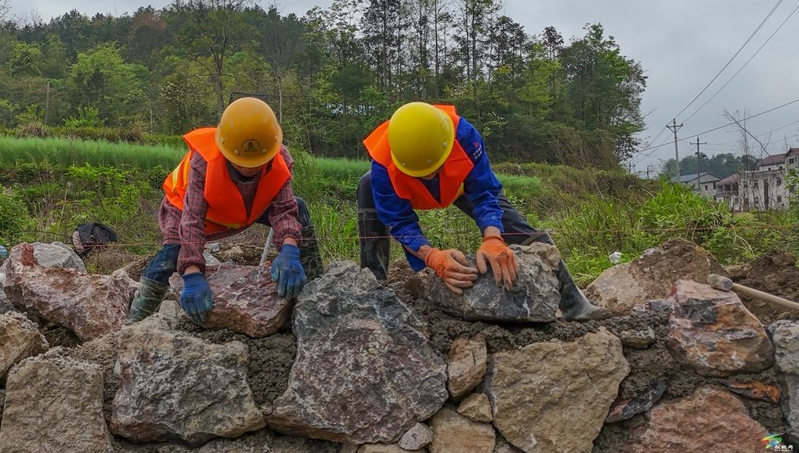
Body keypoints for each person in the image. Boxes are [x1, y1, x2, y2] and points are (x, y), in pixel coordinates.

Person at [357, 101, 611, 322]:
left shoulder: (465, 135)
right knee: (366, 184)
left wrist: (492, 237)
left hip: (461, 186)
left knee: (516, 225)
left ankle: (574, 303)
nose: (430, 176)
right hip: (406, 194)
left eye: (434, 168)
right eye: (423, 173)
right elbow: (401, 222)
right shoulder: (383, 164)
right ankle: (373, 288)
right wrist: (432, 256)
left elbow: (485, 192)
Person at [128, 97, 323, 323]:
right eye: (241, 162)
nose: (248, 168)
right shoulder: (204, 163)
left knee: (299, 208)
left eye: (256, 163)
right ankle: (135, 320)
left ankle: (314, 286)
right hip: (186, 208)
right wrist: (192, 273)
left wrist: (290, 250)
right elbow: (192, 221)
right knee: (171, 254)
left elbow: (284, 209)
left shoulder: (279, 158)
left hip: (245, 208)